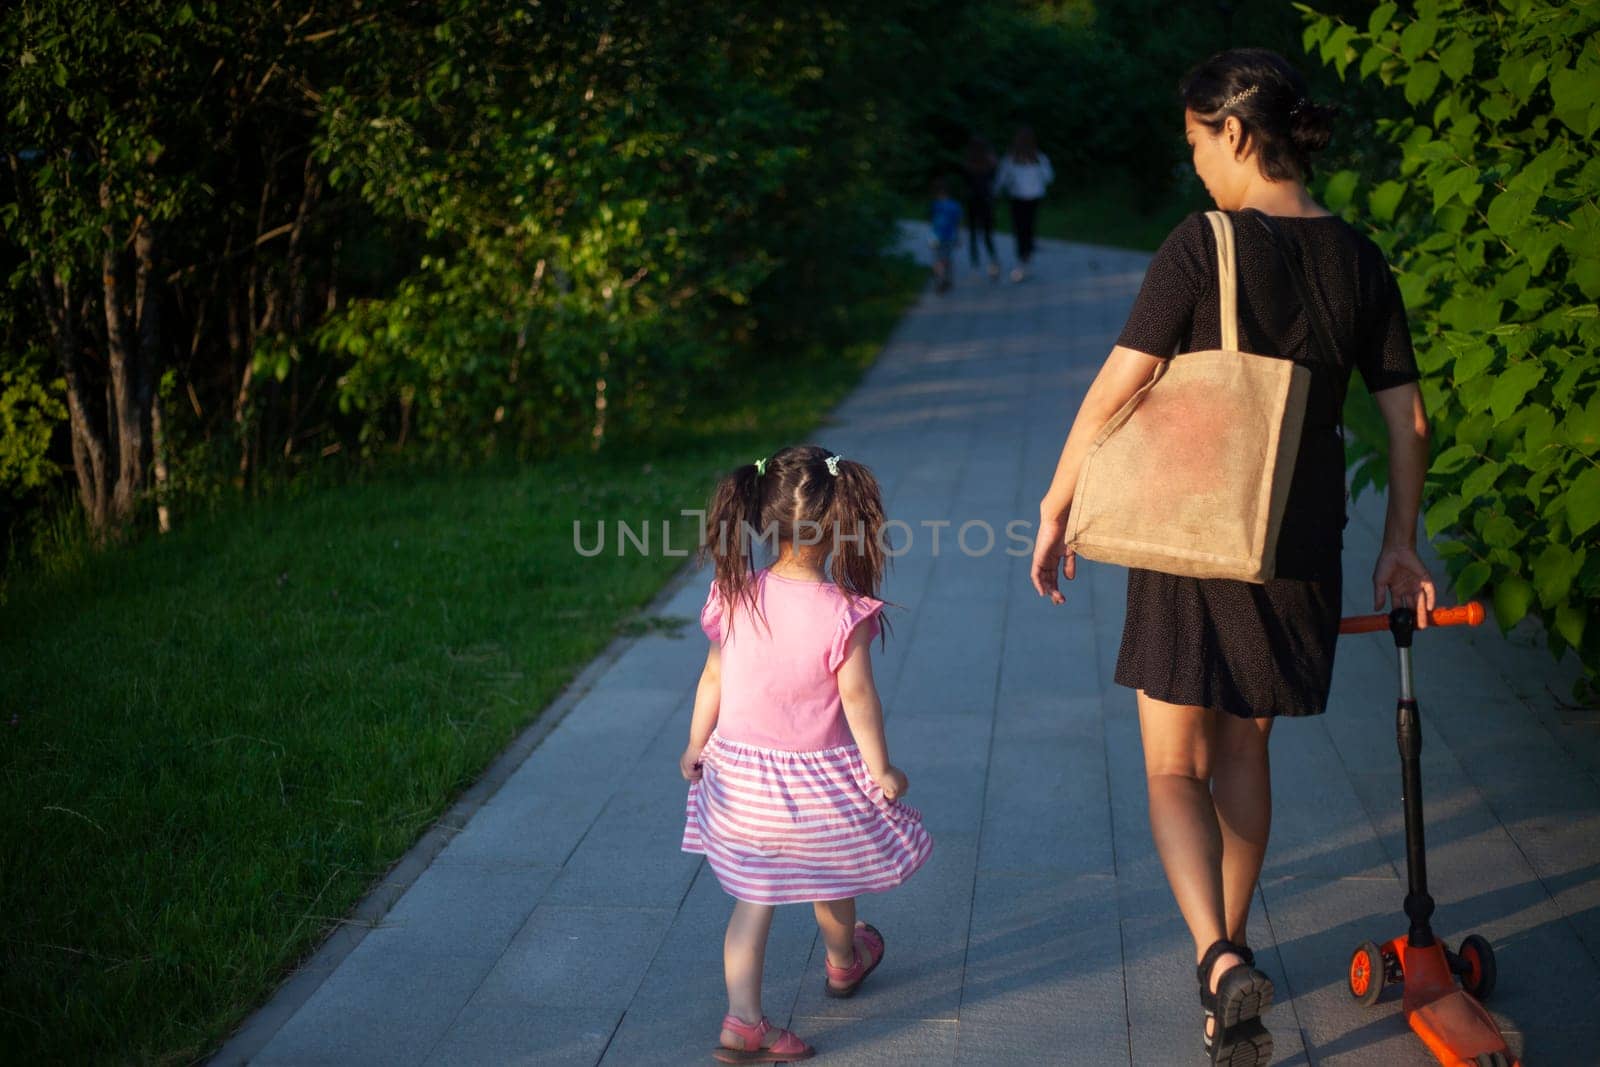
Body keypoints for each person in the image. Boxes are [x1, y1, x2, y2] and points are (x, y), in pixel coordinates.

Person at [1027, 48, 1435, 1066]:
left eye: (1199, 145)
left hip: (1190, 531)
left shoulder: (1201, 244)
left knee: (1171, 762)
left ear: (1238, 135)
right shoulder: (1360, 257)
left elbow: (1120, 384)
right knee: (1242, 750)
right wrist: (1398, 545)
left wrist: (1054, 499)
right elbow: (1411, 422)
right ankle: (1235, 946)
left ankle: (1213, 956)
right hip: (1298, 544)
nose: (1196, 168)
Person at [681, 445, 933, 1064]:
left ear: (764, 520)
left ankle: (743, 1022)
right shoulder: (842, 613)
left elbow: (711, 678)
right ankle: (845, 961)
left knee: (753, 901)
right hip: (818, 787)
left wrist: (694, 744)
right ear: (842, 523)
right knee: (834, 875)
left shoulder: (734, 595)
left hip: (740, 779)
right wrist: (881, 770)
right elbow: (859, 700)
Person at [992, 125, 1053, 281]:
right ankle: (1025, 259)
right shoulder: (1037, 158)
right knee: (1027, 227)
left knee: (1020, 228)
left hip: (1019, 198)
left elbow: (1001, 179)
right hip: (1030, 198)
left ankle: (1023, 259)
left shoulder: (1014, 158)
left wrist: (996, 192)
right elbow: (1048, 177)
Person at [960, 134, 1001, 280]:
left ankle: (975, 266)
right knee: (987, 235)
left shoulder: (968, 164)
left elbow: (965, 184)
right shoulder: (990, 164)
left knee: (972, 234)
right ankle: (993, 263)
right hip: (986, 201)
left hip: (973, 202)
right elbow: (995, 181)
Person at [929, 178, 963, 293]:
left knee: (939, 259)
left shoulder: (935, 205)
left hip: (937, 236)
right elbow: (958, 223)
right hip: (948, 236)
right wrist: (958, 237)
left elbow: (932, 221)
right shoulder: (954, 205)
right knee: (946, 259)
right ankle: (946, 279)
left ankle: (941, 280)